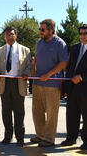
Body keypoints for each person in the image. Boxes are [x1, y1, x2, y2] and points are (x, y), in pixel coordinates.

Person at [31, 19, 68, 147]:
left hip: (52, 84)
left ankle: (49, 138)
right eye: (40, 29)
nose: (40, 31)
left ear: (51, 30)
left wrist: (49, 74)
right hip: (37, 83)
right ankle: (40, 135)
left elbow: (63, 63)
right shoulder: (39, 43)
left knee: (52, 112)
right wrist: (33, 76)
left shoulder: (59, 43)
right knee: (37, 111)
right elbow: (36, 61)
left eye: (43, 29)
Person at [0, 26, 32, 147]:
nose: (9, 37)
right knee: (6, 112)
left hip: (18, 84)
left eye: (11, 34)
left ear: (16, 35)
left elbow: (30, 65)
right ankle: (8, 136)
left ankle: (20, 138)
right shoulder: (0, 51)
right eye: (6, 35)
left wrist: (27, 72)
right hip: (4, 84)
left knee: (19, 112)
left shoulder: (25, 50)